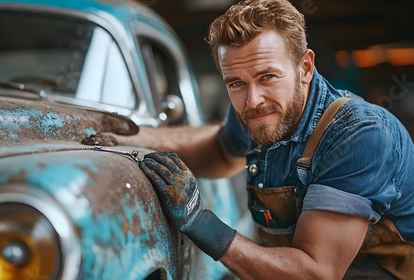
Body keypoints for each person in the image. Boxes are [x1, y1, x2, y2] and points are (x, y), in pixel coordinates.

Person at [116, 0, 414, 278]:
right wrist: (131, 136)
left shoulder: (360, 135)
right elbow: (220, 152)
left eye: (268, 77)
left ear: (305, 68)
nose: (253, 100)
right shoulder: (255, 111)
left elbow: (316, 272)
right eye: (236, 83)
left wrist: (200, 223)